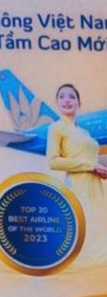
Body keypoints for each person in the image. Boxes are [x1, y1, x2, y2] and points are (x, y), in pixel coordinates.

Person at [45, 82, 107, 210]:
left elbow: (93, 161)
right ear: (57, 103)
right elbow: (53, 162)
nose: (67, 100)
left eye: (72, 97)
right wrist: (91, 166)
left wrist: (102, 171)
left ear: (79, 103)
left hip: (96, 187)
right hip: (78, 187)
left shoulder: (85, 133)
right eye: (62, 97)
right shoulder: (56, 127)